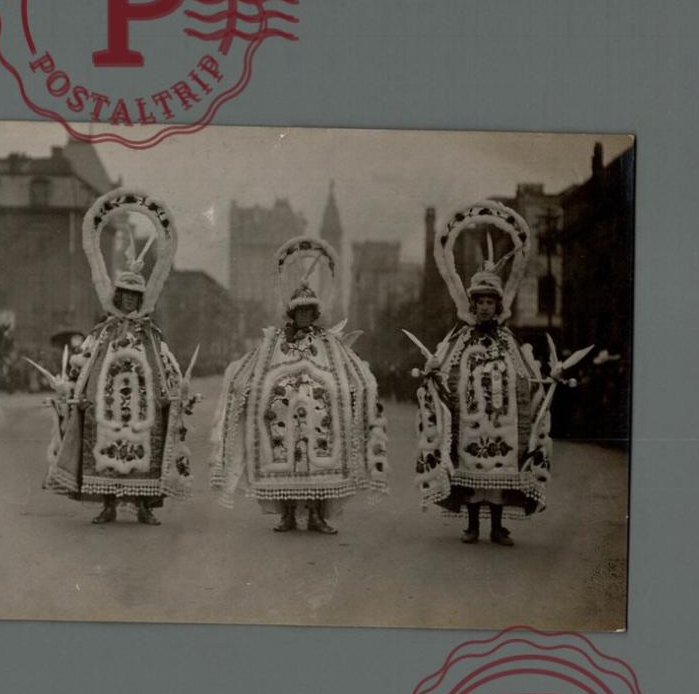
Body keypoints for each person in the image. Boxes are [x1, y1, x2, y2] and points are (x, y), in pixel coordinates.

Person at [210, 236, 388, 533]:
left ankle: (317, 514)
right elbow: (254, 364)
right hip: (283, 411)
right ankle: (289, 513)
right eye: (299, 311)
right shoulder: (275, 340)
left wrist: (359, 389)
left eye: (309, 311)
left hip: (320, 411)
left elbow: (351, 367)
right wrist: (247, 387)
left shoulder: (328, 341)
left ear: (315, 313)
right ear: (292, 313)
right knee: (286, 457)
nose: (304, 315)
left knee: (318, 460)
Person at [43, 189, 197, 524]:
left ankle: (143, 506)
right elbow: (83, 363)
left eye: (134, 297)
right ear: (117, 296)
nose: (129, 302)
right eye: (125, 296)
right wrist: (73, 392)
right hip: (105, 409)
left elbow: (166, 364)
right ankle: (109, 503)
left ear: (142, 300)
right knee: (104, 451)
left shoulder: (150, 334)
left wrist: (175, 389)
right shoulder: (103, 332)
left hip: (144, 408)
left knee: (147, 450)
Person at [414, 202, 552, 546]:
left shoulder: (509, 339)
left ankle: (498, 526)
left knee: (501, 473)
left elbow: (526, 370)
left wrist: (538, 384)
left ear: (499, 304)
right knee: (472, 473)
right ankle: (473, 524)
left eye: (491, 301)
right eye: (480, 302)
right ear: (472, 305)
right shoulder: (461, 338)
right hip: (470, 414)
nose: (485, 307)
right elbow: (444, 364)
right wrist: (433, 375)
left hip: (502, 416)